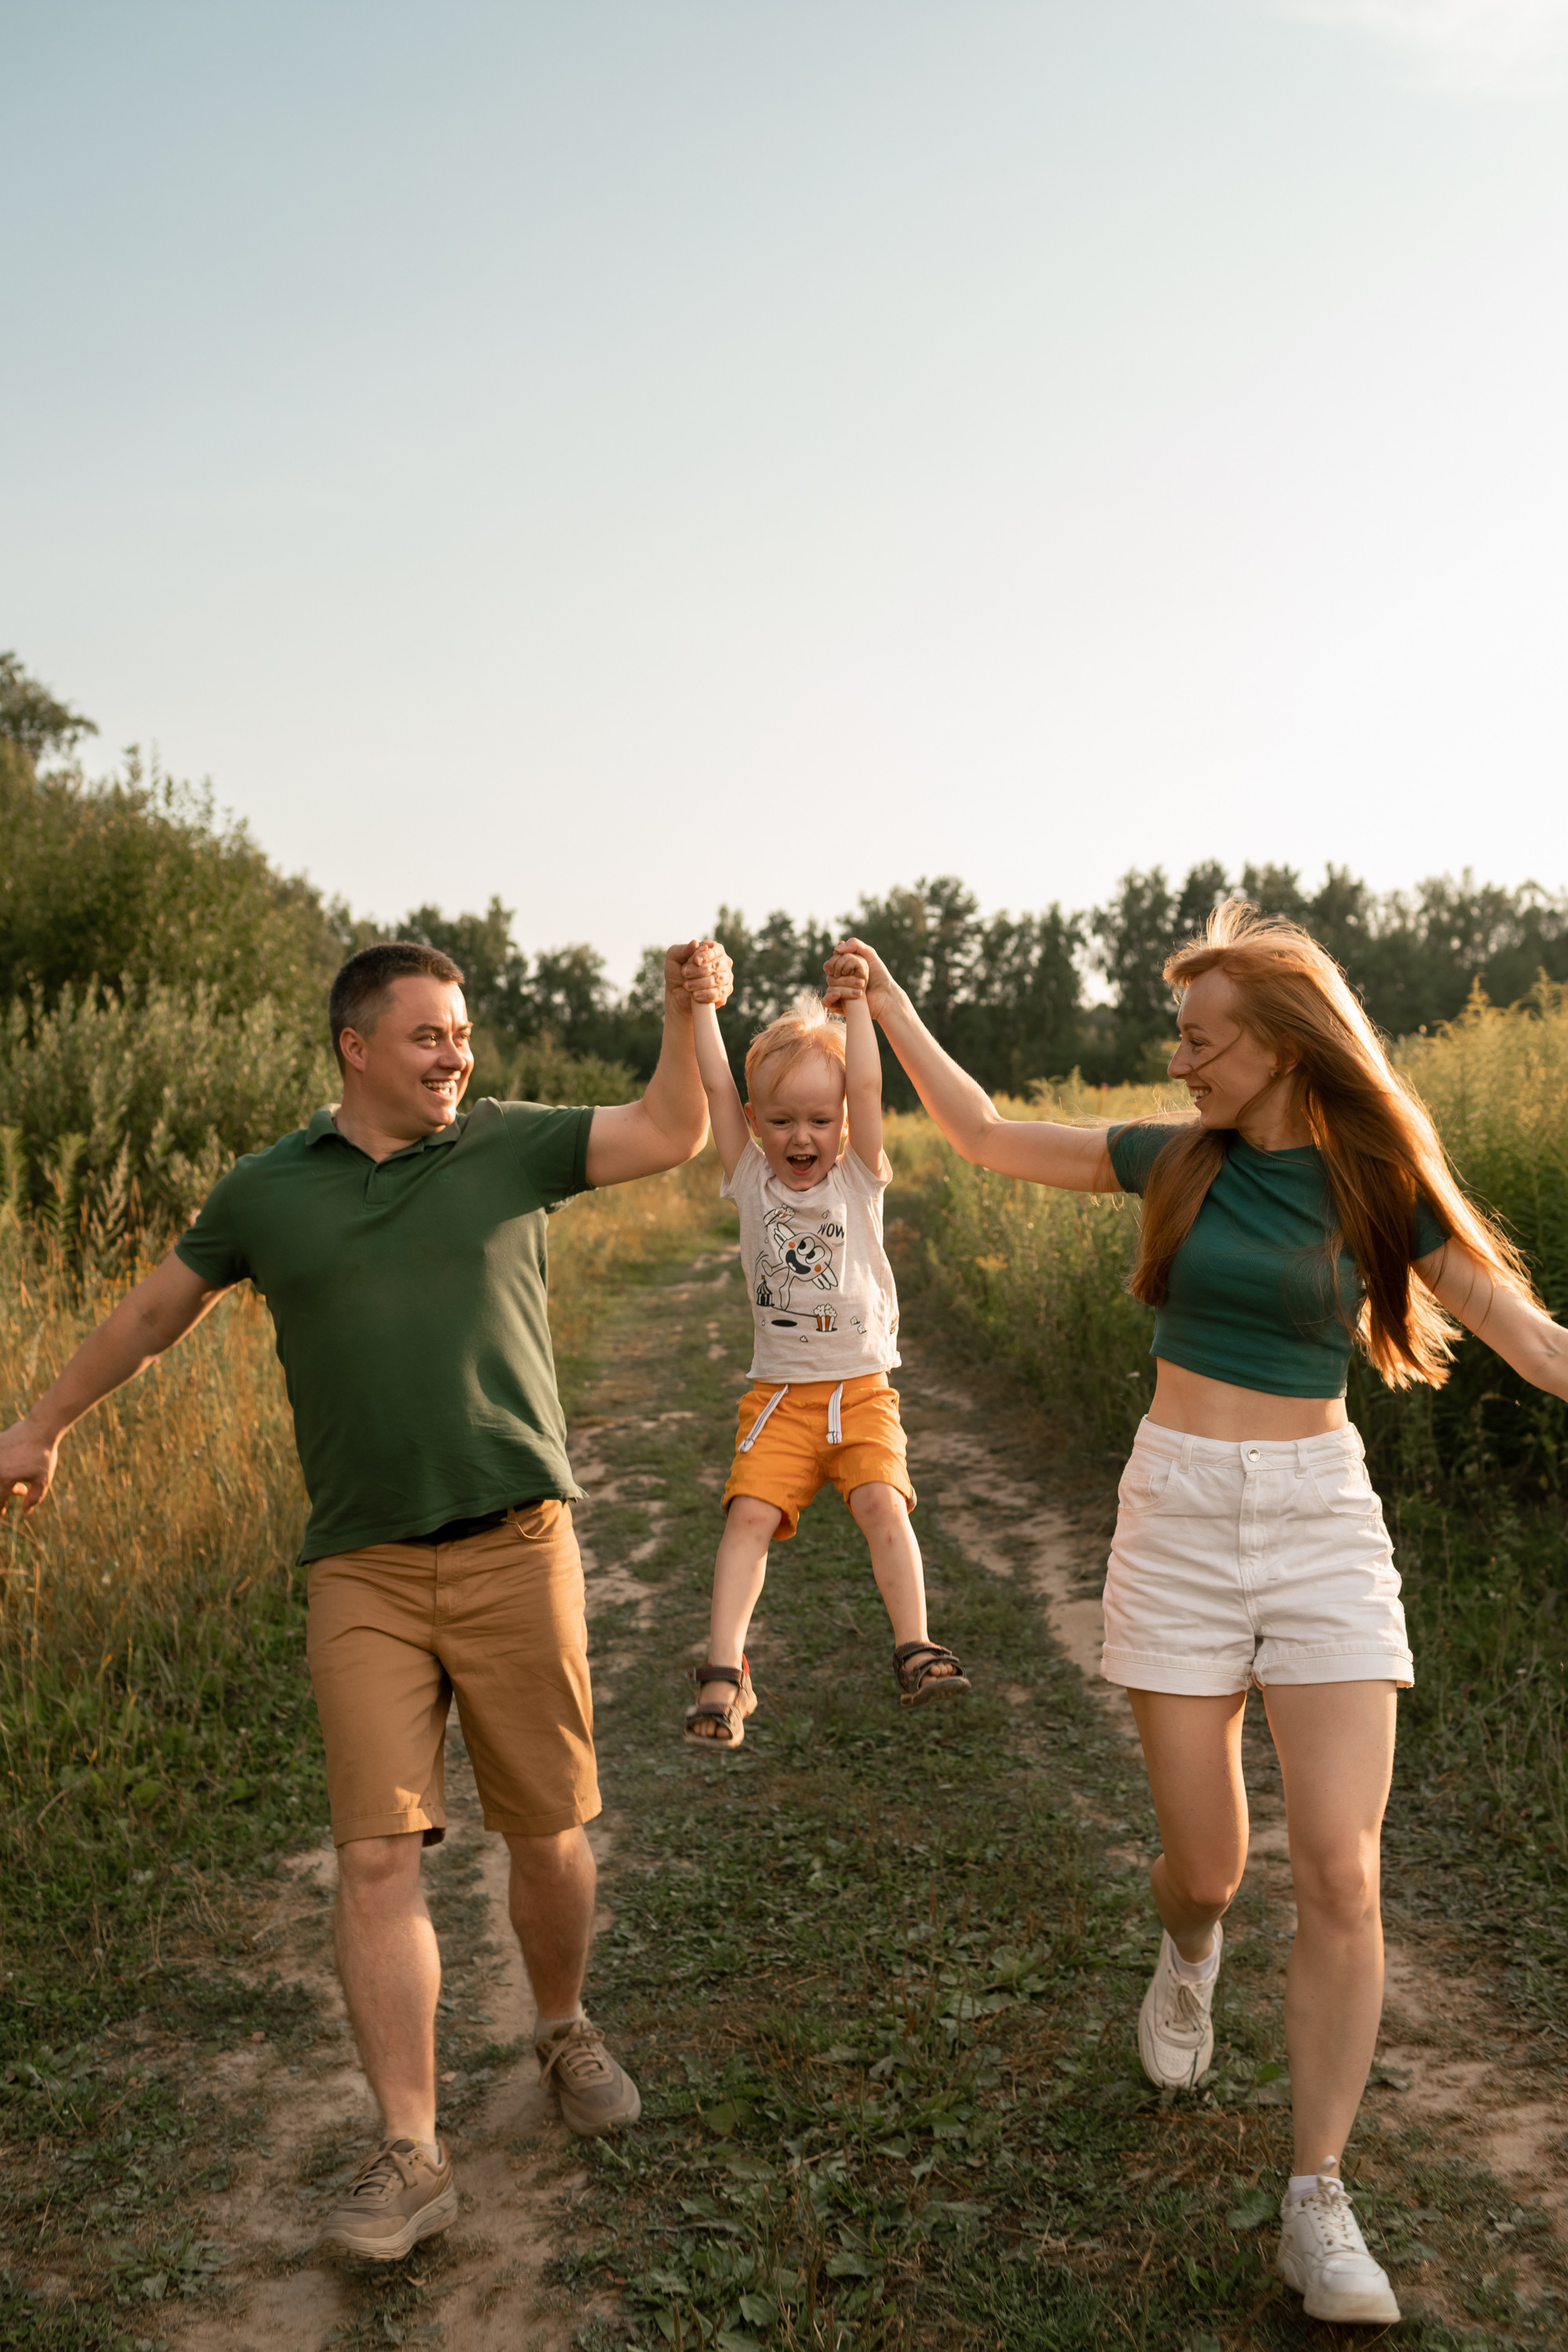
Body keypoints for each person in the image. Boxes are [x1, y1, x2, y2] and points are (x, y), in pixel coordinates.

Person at [827, 905, 1568, 2328]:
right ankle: (1188, 1954)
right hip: (1175, 1513)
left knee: (1345, 1873)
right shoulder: (1174, 1161)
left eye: (1204, 1038)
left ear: (1286, 1046)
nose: (1182, 1061)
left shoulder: (1376, 1181)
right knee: (1211, 1865)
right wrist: (897, 1004)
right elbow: (981, 1133)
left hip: (1319, 1520)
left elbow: (1523, 1333)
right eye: (1182, 1037)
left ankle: (1318, 2199)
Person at [0, 935, 730, 2263]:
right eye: (428, 1035)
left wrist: (688, 1016)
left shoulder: (509, 1145)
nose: (456, 1055)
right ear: (356, 1048)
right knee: (376, 1854)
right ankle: (410, 2148)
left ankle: (562, 2029)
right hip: (363, 1568)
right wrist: (43, 1421)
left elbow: (677, 1130)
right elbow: (159, 1309)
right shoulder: (269, 1190)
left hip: (518, 1545)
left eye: (462, 1034)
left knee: (550, 1829)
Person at [679, 960, 968, 1748]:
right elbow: (712, 1091)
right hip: (779, 1397)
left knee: (882, 1504)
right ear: (753, 1121)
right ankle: (724, 1674)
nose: (798, 1137)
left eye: (817, 1119)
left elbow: (869, 1089)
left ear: (841, 1123)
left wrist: (857, 1008)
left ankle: (914, 1645)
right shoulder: (748, 1181)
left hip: (862, 1391)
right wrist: (704, 1005)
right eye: (778, 1121)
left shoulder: (858, 1179)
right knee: (747, 1517)